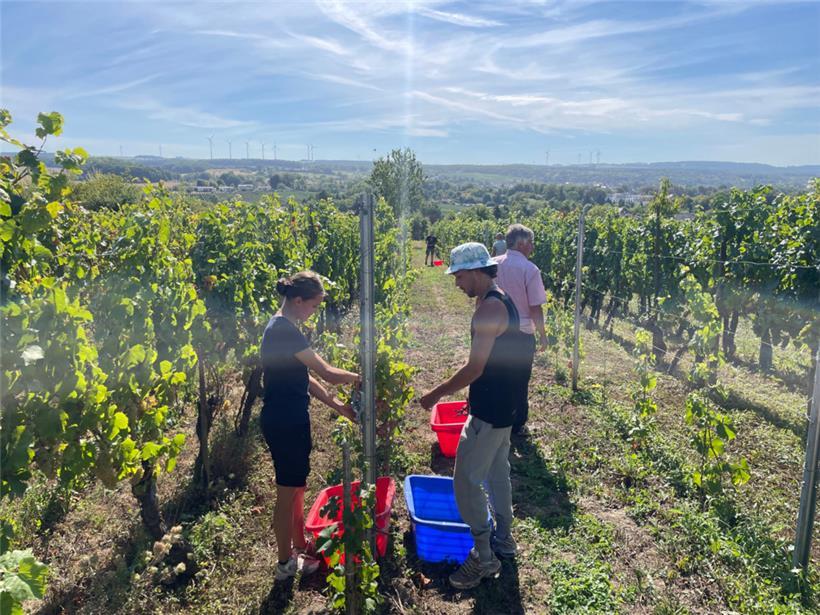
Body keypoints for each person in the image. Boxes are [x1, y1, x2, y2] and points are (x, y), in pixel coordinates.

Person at [420, 242, 519, 590]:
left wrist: (435, 393)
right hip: (503, 404)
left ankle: (483, 557)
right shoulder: (496, 298)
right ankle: (504, 540)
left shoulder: (488, 310)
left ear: (478, 271)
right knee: (497, 473)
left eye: (459, 276)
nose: (456, 283)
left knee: (465, 480)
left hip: (491, 411)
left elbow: (475, 367)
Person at [260, 271, 360, 581]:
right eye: (313, 306)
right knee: (286, 494)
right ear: (298, 300)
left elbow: (308, 379)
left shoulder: (283, 327)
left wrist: (339, 407)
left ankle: (300, 544)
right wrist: (359, 377)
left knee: (297, 487)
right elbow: (327, 372)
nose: (313, 313)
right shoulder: (285, 330)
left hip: (290, 418)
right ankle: (284, 564)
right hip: (285, 422)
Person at [494, 224, 548, 435]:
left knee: (497, 374)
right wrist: (543, 335)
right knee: (519, 378)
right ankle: (517, 423)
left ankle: (497, 419)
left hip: (496, 331)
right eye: (530, 243)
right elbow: (535, 307)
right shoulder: (530, 269)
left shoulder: (493, 265)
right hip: (522, 333)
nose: (532, 247)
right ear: (521, 243)